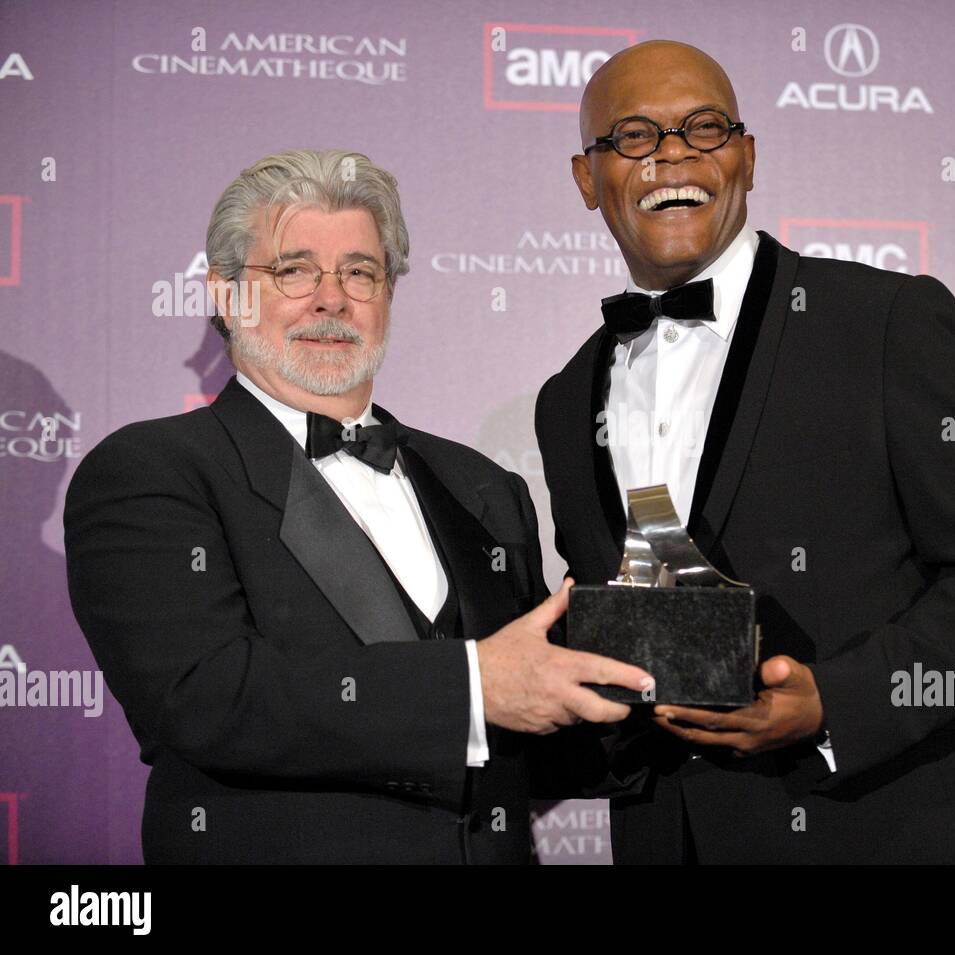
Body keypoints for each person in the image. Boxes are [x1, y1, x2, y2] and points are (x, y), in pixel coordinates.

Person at [534, 42, 955, 863]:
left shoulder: (883, 324)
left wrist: (834, 703)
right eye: (634, 136)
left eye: (704, 128)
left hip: (877, 832)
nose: (673, 154)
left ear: (748, 156)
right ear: (585, 178)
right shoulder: (565, 399)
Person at [64, 149, 647, 864]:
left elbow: (531, 737)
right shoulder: (151, 471)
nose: (331, 298)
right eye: (294, 269)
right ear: (224, 293)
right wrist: (470, 686)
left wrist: (661, 689)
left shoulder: (482, 485)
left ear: (388, 297)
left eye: (360, 272)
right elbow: (204, 695)